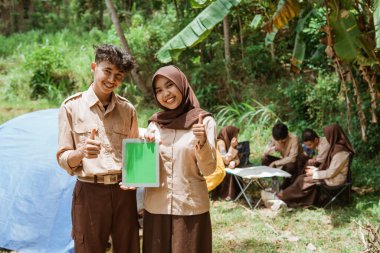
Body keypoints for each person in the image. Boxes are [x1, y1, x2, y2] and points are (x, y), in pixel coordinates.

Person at [56, 44, 140, 253]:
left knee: (128, 247)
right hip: (89, 191)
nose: (112, 80)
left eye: (119, 75)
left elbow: (135, 156)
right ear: (94, 67)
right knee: (89, 248)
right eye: (107, 71)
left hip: (123, 193)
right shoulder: (71, 107)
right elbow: (63, 157)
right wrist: (81, 152)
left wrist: (137, 175)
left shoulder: (128, 109)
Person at [143, 65, 217, 253]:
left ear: (181, 85)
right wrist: (145, 148)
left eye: (170, 85)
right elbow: (145, 170)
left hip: (189, 209)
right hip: (156, 208)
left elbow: (209, 169)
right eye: (159, 90)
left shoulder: (203, 121)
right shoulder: (154, 124)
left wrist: (202, 142)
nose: (165, 93)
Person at [262, 123, 355, 208]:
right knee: (301, 178)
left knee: (302, 179)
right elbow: (330, 168)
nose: (326, 139)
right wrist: (274, 148)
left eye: (328, 137)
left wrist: (315, 173)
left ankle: (280, 197)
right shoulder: (336, 148)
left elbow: (331, 172)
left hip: (334, 180)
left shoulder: (341, 152)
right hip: (330, 176)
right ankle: (281, 194)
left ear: (334, 136)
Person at [262, 123, 306, 189]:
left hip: (296, 162)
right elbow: (264, 153)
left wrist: (275, 163)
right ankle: (275, 182)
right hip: (284, 159)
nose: (280, 142)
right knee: (265, 160)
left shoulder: (294, 139)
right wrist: (274, 148)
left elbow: (292, 158)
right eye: (278, 140)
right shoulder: (275, 137)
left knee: (290, 166)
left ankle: (285, 187)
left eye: (282, 140)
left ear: (287, 135)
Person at [211, 126, 240, 201]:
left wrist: (234, 162)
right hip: (218, 168)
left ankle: (236, 193)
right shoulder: (220, 142)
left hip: (227, 166)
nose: (236, 137)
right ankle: (227, 195)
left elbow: (237, 159)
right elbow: (226, 160)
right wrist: (232, 146)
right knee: (229, 173)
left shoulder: (231, 142)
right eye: (235, 135)